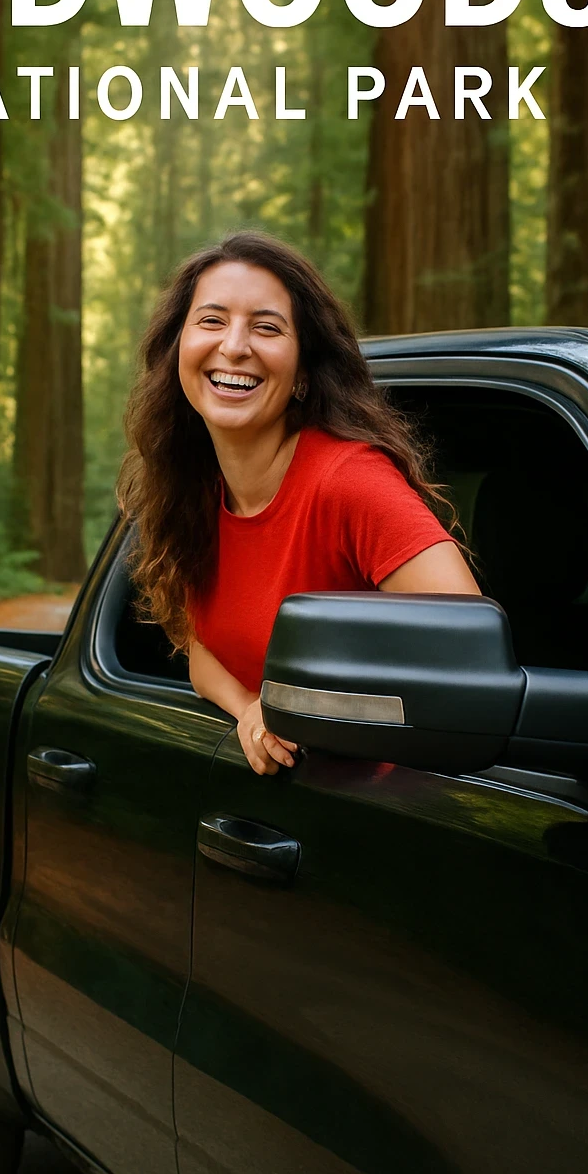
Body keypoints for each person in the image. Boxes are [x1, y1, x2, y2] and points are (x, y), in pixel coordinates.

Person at [117, 231, 480, 776]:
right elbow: (201, 653)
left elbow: (470, 652)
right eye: (212, 321)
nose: (234, 346)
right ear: (178, 352)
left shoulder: (349, 481)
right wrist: (251, 714)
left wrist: (305, 709)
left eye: (266, 327)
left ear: (303, 371)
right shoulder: (190, 489)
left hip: (394, 813)